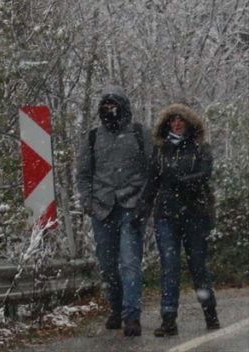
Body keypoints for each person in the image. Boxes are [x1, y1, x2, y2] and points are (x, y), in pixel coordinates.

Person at [76, 85, 153, 337]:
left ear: (124, 108)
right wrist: (88, 202)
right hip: (102, 209)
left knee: (130, 262)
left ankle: (132, 316)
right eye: (105, 107)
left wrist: (144, 201)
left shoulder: (140, 134)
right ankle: (116, 308)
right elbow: (84, 174)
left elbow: (153, 170)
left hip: (132, 207)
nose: (110, 111)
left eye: (114, 106)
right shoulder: (92, 137)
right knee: (108, 265)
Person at [140, 103, 220, 337]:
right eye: (173, 120)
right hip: (166, 213)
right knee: (170, 265)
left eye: (180, 120)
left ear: (188, 123)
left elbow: (205, 173)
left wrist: (183, 180)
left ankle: (210, 312)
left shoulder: (199, 147)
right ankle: (168, 318)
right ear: (167, 124)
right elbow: (152, 180)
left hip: (195, 212)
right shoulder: (160, 150)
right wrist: (142, 206)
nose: (176, 123)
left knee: (197, 265)